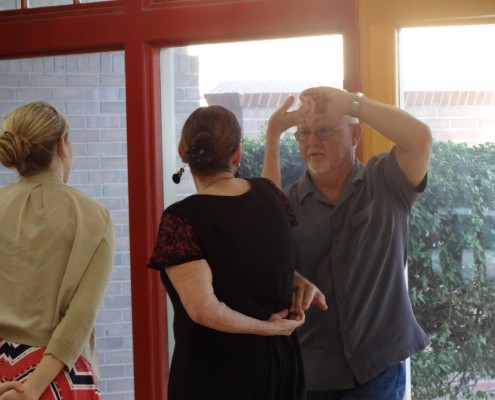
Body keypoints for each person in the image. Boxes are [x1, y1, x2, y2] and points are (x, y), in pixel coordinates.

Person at [262, 87, 432, 400]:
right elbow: (265, 229)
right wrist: (274, 132)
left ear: (354, 135)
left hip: (377, 366)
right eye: (303, 133)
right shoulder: (288, 202)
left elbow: (419, 138)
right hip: (311, 369)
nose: (312, 141)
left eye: (324, 130)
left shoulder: (387, 182)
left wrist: (354, 103)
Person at [147, 104, 327, 400]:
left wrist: (267, 328)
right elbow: (253, 251)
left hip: (218, 374)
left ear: (182, 152)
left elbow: (204, 310)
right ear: (237, 155)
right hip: (281, 367)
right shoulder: (271, 198)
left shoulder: (182, 219)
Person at [0, 101, 114, 400]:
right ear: (63, 145)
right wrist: (33, 388)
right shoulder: (94, 215)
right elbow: (81, 315)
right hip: (60, 374)